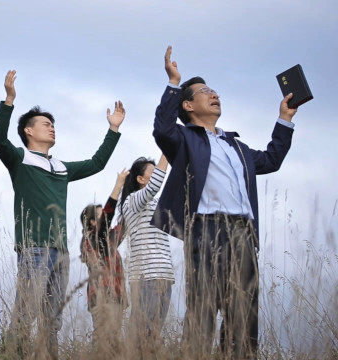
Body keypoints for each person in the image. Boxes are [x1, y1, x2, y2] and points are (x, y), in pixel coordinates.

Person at [151, 46, 297, 359]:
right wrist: (173, 82)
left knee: (244, 315)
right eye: (205, 91)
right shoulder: (185, 139)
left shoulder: (237, 146)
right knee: (203, 310)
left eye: (215, 90)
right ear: (188, 105)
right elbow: (162, 129)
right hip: (207, 231)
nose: (214, 94)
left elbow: (271, 159)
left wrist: (284, 119)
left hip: (244, 234)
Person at [0, 70, 125, 358]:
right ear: (29, 130)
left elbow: (96, 164)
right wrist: (9, 100)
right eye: (45, 124)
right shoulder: (20, 158)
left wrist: (113, 130)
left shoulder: (61, 167)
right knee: (25, 315)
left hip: (61, 252)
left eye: (53, 124)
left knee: (52, 322)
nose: (52, 128)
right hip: (34, 249)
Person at [118, 154, 174, 357]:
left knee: (152, 335)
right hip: (146, 277)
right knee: (141, 332)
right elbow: (155, 186)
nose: (159, 174)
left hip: (163, 276)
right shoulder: (133, 201)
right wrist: (167, 150)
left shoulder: (155, 204)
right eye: (153, 171)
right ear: (140, 179)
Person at [80, 168, 129, 357]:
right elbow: (110, 215)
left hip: (115, 296)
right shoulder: (92, 239)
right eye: (100, 216)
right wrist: (118, 186)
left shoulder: (108, 239)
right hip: (102, 296)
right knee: (103, 340)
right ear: (92, 222)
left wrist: (131, 191)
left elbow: (125, 223)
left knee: (114, 340)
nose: (106, 220)